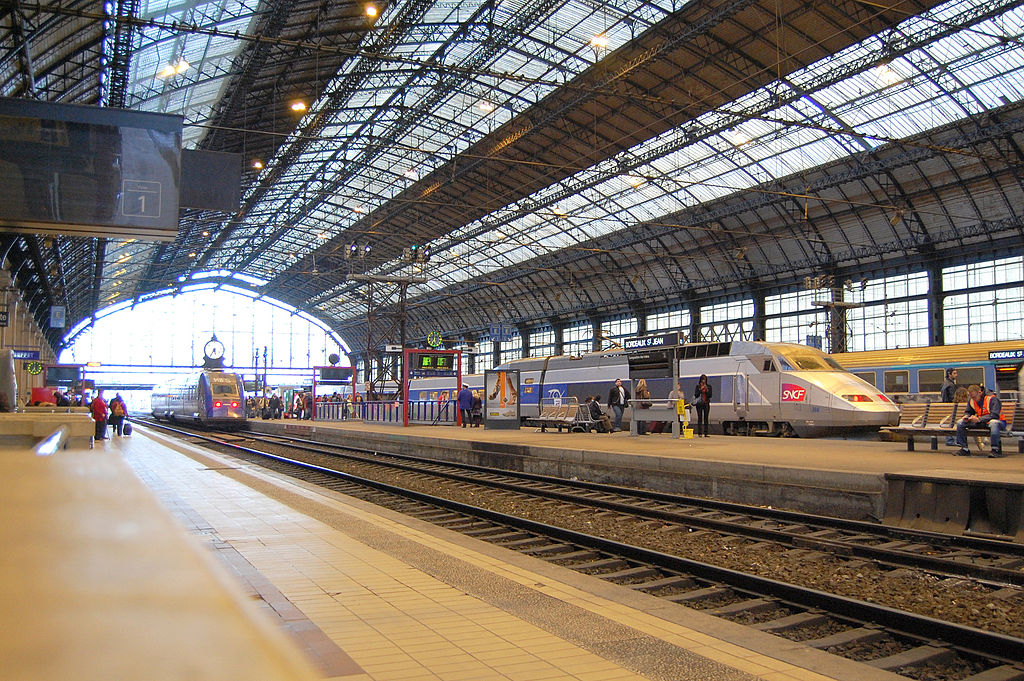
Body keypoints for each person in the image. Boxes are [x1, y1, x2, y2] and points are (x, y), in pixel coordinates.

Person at [953, 384, 1007, 458]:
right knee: (960, 422)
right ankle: (964, 448)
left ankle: (995, 449)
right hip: (981, 422)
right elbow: (968, 411)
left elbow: (995, 415)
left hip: (998, 422)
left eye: (975, 397)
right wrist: (966, 416)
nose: (973, 399)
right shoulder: (972, 400)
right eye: (972, 397)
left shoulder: (992, 398)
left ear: (980, 392)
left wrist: (979, 419)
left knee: (993, 423)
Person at [940, 368, 958, 445]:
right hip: (950, 405)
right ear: (949, 374)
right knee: (952, 422)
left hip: (945, 405)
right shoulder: (950, 385)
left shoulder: (944, 383)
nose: (956, 375)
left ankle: (949, 439)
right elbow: (952, 397)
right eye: (954, 373)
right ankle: (950, 440)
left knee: (949, 422)